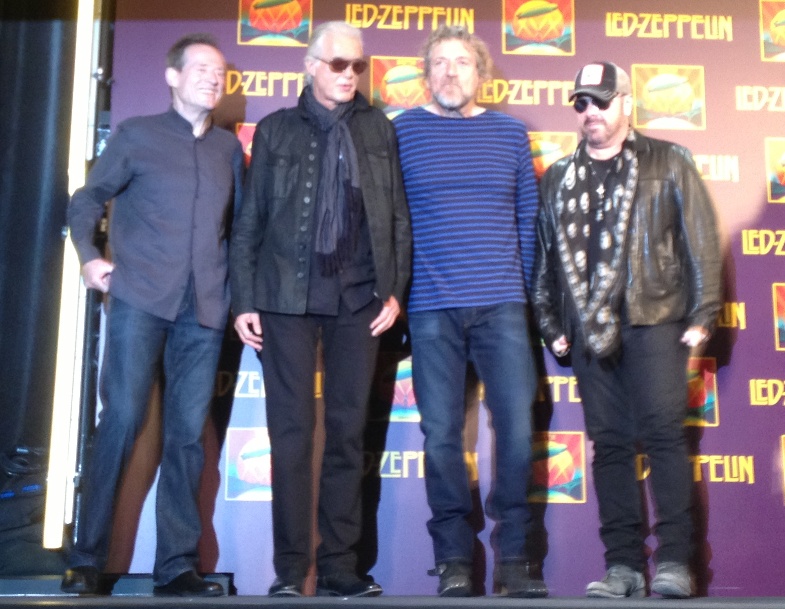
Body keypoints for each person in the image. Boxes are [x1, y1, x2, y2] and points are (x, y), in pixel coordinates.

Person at [229, 21, 411, 598]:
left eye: (358, 66)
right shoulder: (278, 130)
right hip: (284, 297)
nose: (351, 75)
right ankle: (289, 572)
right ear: (310, 66)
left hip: (359, 298)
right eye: (339, 65)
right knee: (290, 435)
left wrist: (395, 290)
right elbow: (249, 222)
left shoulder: (379, 127)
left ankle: (339, 568)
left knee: (347, 434)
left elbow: (398, 217)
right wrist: (244, 299)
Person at [61, 33, 243, 597]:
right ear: (172, 76)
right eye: (202, 70)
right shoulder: (136, 136)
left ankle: (176, 568)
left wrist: (239, 298)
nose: (213, 79)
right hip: (140, 299)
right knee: (121, 423)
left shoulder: (229, 151)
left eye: (220, 73)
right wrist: (91, 258)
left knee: (187, 438)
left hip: (203, 312)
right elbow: (86, 200)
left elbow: (239, 231)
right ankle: (86, 560)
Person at [532, 61, 721, 599]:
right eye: (581, 103)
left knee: (664, 439)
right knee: (610, 447)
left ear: (626, 103)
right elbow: (543, 262)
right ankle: (621, 565)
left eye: (600, 100)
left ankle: (677, 563)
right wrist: (551, 324)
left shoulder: (668, 160)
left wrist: (704, 312)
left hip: (656, 319)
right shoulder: (559, 178)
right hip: (588, 330)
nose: (590, 112)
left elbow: (700, 238)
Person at [393, 25, 546, 599]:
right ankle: (454, 559)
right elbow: (389, 220)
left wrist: (524, 296)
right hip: (431, 308)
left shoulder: (510, 133)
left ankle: (514, 559)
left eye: (461, 62)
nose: (450, 72)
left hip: (503, 306)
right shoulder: (401, 131)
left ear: (480, 73)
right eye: (439, 63)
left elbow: (528, 219)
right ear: (426, 73)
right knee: (439, 437)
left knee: (514, 430)